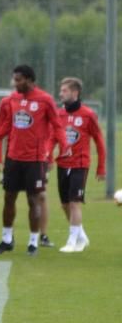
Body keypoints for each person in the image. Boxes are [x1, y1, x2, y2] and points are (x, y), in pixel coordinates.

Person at [0, 65, 68, 256]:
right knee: (8, 198)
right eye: (14, 79)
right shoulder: (11, 100)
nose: (15, 83)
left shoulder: (45, 100)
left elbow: (57, 126)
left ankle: (33, 242)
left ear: (29, 80)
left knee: (33, 199)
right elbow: (4, 128)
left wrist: (64, 145)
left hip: (35, 160)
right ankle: (6, 239)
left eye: (18, 80)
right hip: (13, 158)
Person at [55, 77, 106, 252]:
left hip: (80, 164)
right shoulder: (59, 114)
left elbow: (99, 141)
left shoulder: (88, 114)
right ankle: (81, 236)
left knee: (75, 202)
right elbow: (52, 137)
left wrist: (101, 167)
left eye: (64, 91)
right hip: (62, 163)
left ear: (75, 93)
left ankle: (71, 241)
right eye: (61, 90)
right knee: (64, 204)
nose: (61, 93)